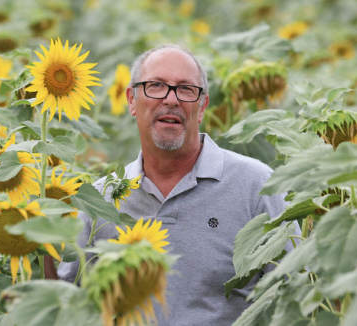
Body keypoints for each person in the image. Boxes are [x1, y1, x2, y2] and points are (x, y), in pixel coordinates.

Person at [49, 44, 300, 325]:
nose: (171, 99)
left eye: (185, 89)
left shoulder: (258, 186)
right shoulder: (102, 199)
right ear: (131, 100)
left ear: (202, 105)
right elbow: (66, 304)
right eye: (155, 85)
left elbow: (295, 292)